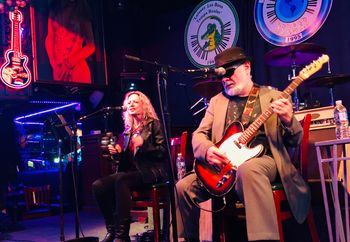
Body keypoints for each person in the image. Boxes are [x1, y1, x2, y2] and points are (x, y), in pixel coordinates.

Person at [176, 47, 311, 242]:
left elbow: (295, 140)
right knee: (183, 187)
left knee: (249, 170)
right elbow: (198, 135)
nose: (225, 79)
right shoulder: (216, 102)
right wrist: (207, 150)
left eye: (230, 72)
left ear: (247, 67)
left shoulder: (274, 97)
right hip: (226, 167)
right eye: (222, 75)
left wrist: (289, 120)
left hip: (265, 162)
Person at [92, 91, 168, 242]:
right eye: (129, 102)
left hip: (152, 171)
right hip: (132, 174)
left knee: (121, 180)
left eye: (135, 102)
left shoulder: (154, 124)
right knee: (98, 185)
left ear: (144, 106)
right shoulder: (128, 131)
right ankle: (112, 229)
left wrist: (144, 145)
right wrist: (118, 153)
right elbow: (128, 162)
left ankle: (121, 235)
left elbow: (163, 152)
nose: (131, 104)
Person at [45, 0, 95, 83]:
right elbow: (50, 37)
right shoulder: (54, 9)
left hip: (77, 68)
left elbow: (91, 46)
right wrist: (53, 64)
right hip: (59, 70)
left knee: (79, 95)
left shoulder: (82, 11)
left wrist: (68, 63)